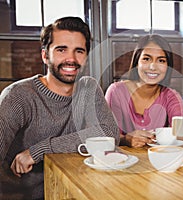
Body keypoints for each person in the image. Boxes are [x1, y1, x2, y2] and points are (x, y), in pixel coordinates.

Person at [0, 17, 119, 199]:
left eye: (79, 51)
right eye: (61, 50)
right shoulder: (18, 95)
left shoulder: (88, 87)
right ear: (45, 55)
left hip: (71, 189)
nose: (71, 59)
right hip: (22, 195)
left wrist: (38, 151)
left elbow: (108, 133)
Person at [105, 34, 183, 148]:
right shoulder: (116, 91)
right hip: (123, 162)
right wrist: (126, 139)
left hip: (161, 161)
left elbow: (182, 136)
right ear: (137, 62)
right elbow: (108, 136)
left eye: (161, 60)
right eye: (146, 59)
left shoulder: (172, 96)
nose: (153, 67)